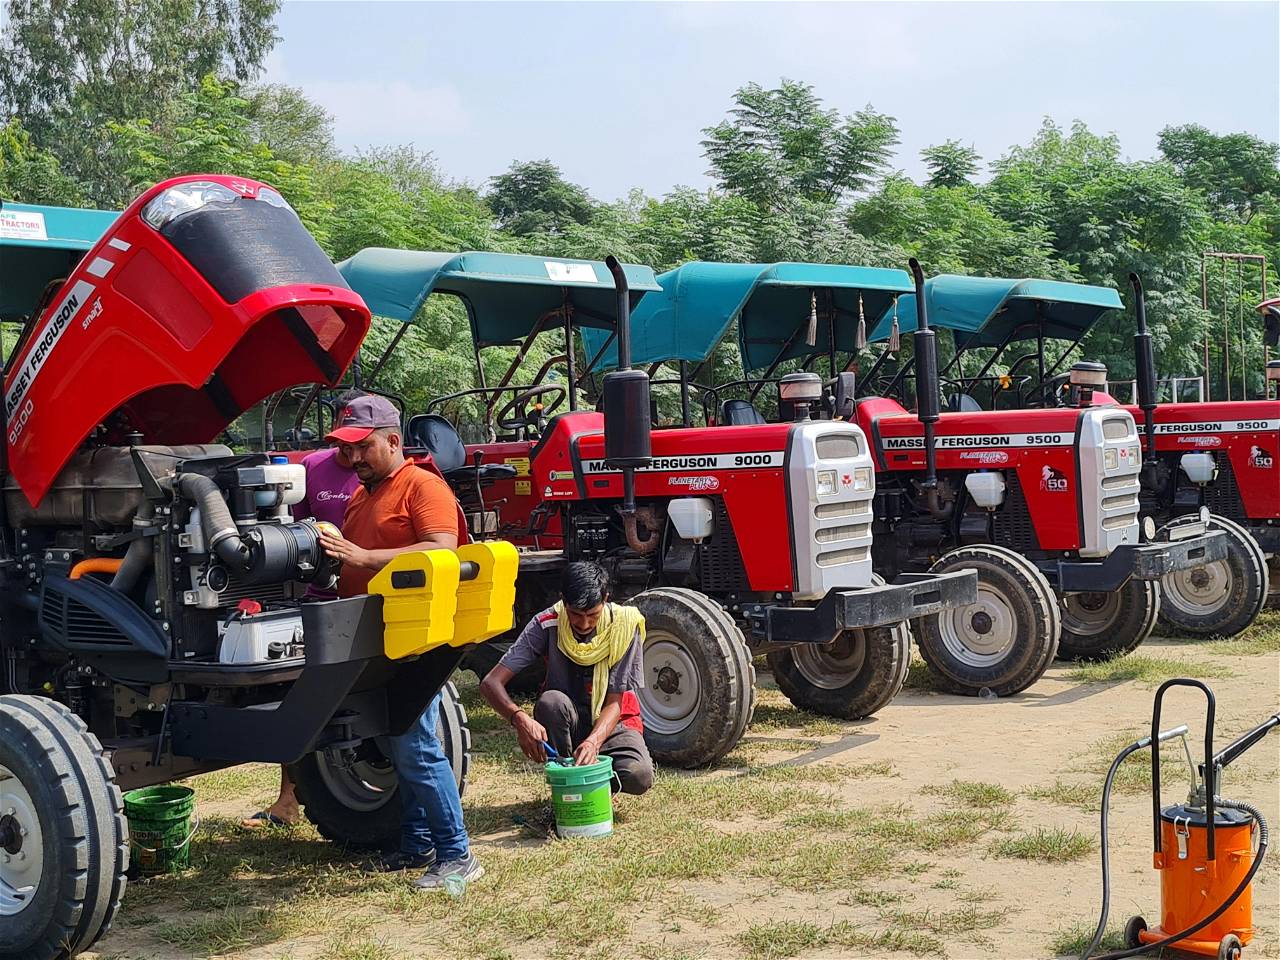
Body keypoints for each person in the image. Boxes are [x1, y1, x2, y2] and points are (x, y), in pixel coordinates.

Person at [315, 394, 482, 891]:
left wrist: (363, 558)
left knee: (415, 745)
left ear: (392, 440)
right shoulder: (362, 494)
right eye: (346, 450)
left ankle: (458, 855)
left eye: (362, 447)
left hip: (420, 636)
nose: (353, 458)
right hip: (377, 636)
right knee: (397, 737)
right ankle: (415, 844)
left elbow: (440, 550)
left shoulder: (422, 485)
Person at [241, 409, 362, 831]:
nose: (349, 452)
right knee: (297, 690)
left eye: (357, 442)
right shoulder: (313, 466)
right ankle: (287, 799)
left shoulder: (382, 472)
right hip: (319, 595)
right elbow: (295, 527)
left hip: (362, 593)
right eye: (343, 442)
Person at [479, 562, 654, 797]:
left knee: (638, 776)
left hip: (614, 722)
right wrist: (519, 720)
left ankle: (591, 781)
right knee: (551, 703)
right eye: (575, 614)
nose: (584, 624)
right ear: (563, 601)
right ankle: (568, 781)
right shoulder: (547, 623)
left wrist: (593, 743)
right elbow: (491, 683)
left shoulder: (624, 625)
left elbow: (615, 701)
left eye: (592, 615)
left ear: (606, 599)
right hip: (568, 719)